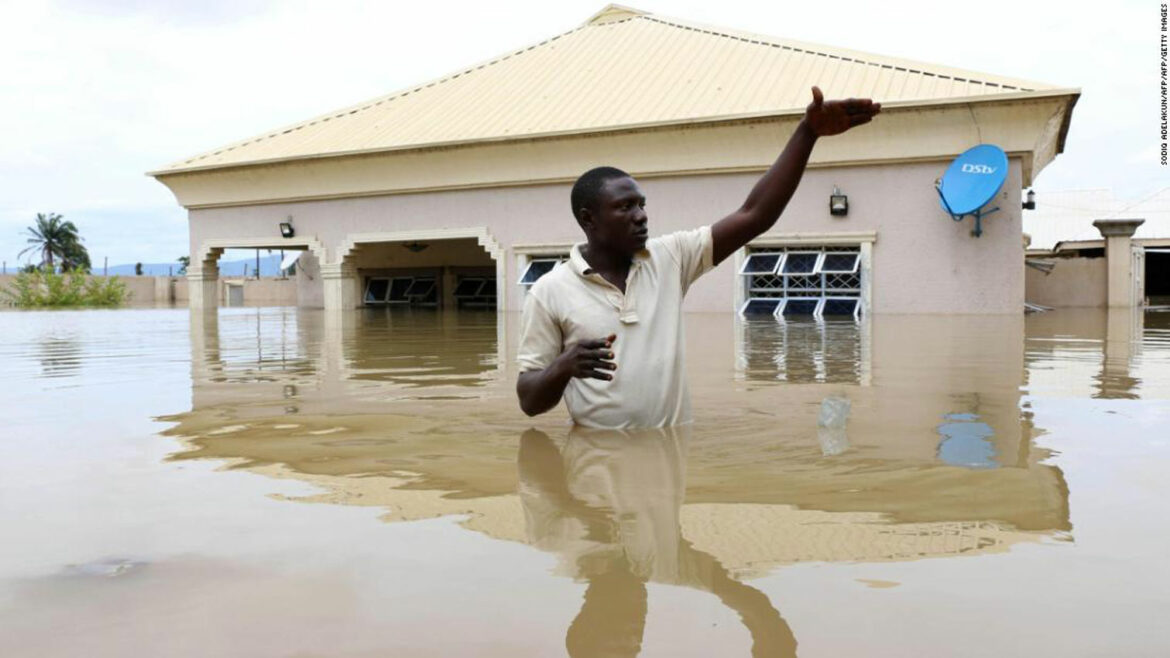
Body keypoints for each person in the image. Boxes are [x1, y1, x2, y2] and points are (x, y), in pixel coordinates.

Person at [516, 86, 880, 428]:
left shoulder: (670, 258)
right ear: (588, 219)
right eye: (625, 207)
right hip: (594, 470)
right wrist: (563, 366)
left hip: (665, 468)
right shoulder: (549, 292)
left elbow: (755, 216)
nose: (641, 215)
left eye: (642, 205)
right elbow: (529, 401)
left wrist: (807, 133)